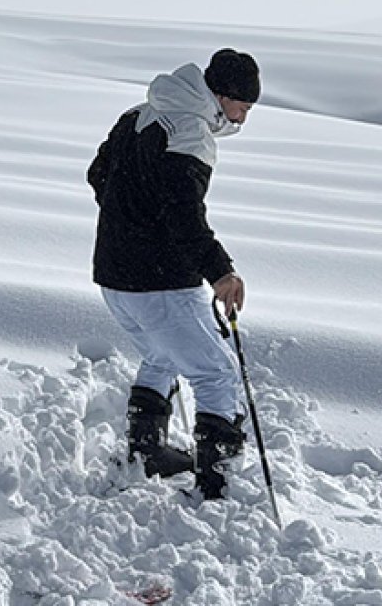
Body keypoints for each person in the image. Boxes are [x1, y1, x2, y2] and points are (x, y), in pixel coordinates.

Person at [87, 48, 260, 500]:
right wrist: (221, 272)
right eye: (242, 107)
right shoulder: (191, 133)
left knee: (163, 354)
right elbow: (184, 214)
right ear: (222, 96)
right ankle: (216, 484)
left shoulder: (139, 114)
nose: (243, 118)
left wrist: (130, 223)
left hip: (114, 277)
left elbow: (97, 174)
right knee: (216, 373)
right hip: (160, 281)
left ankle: (148, 452)